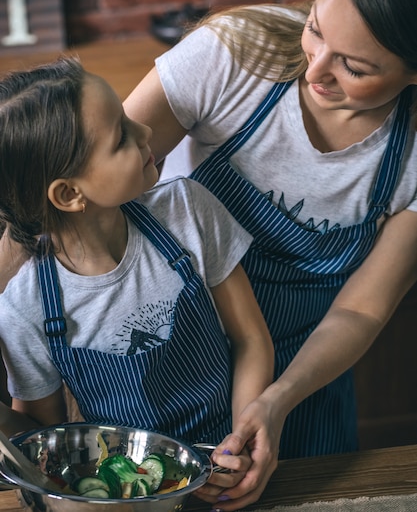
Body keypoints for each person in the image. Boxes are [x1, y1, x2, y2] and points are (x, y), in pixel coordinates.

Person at [120, 0, 417, 509]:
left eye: (354, 68)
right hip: (174, 360)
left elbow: (362, 307)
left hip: (305, 378)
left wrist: (275, 401)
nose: (316, 71)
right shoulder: (234, 51)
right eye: (314, 28)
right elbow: (92, 173)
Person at [0, 57, 274, 498]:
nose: (145, 131)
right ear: (70, 194)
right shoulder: (24, 309)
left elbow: (251, 339)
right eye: (121, 136)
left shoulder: (187, 211)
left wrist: (237, 445)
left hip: (230, 464)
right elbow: (45, 439)